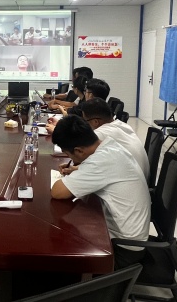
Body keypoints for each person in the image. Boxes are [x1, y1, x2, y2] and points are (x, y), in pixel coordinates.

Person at [50, 115, 150, 269]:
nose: (70, 159)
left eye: (69, 155)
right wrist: (78, 168)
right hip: (129, 237)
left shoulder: (100, 162)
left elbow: (57, 192)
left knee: (61, 246)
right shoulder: (109, 146)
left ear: (78, 150)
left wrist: (80, 171)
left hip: (123, 250)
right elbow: (103, 168)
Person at [81, 98, 149, 181]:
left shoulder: (101, 133)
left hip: (128, 182)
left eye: (85, 121)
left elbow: (80, 152)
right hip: (140, 179)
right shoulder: (123, 125)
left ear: (95, 122)